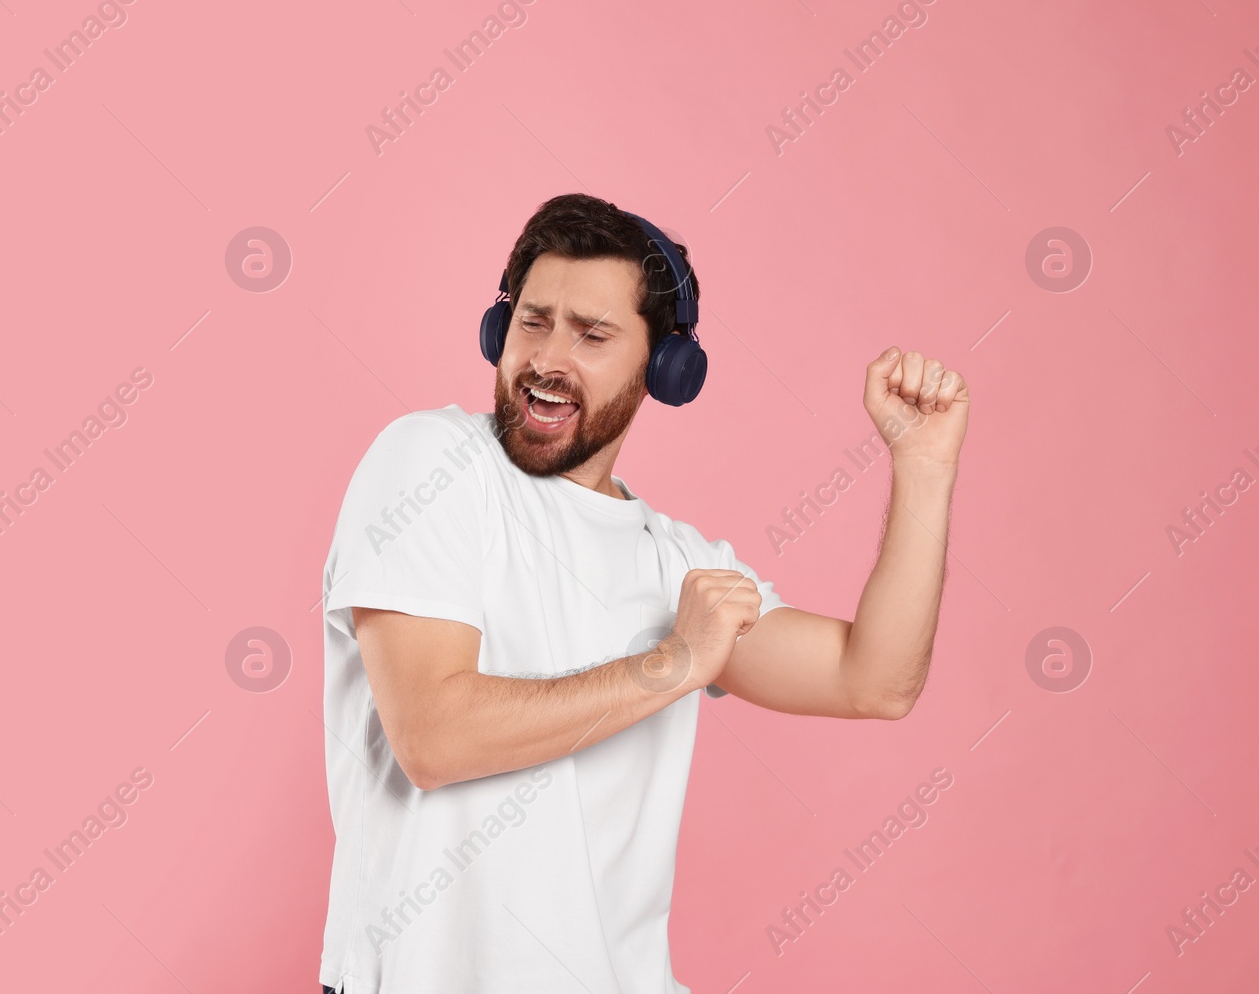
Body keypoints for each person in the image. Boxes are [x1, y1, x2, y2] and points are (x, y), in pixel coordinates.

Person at [317, 192, 969, 993]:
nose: (548, 357)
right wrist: (673, 663)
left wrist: (923, 468)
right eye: (532, 321)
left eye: (592, 335)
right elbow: (432, 735)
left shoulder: (674, 565)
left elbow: (875, 682)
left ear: (666, 368)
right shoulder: (431, 464)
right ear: (498, 328)